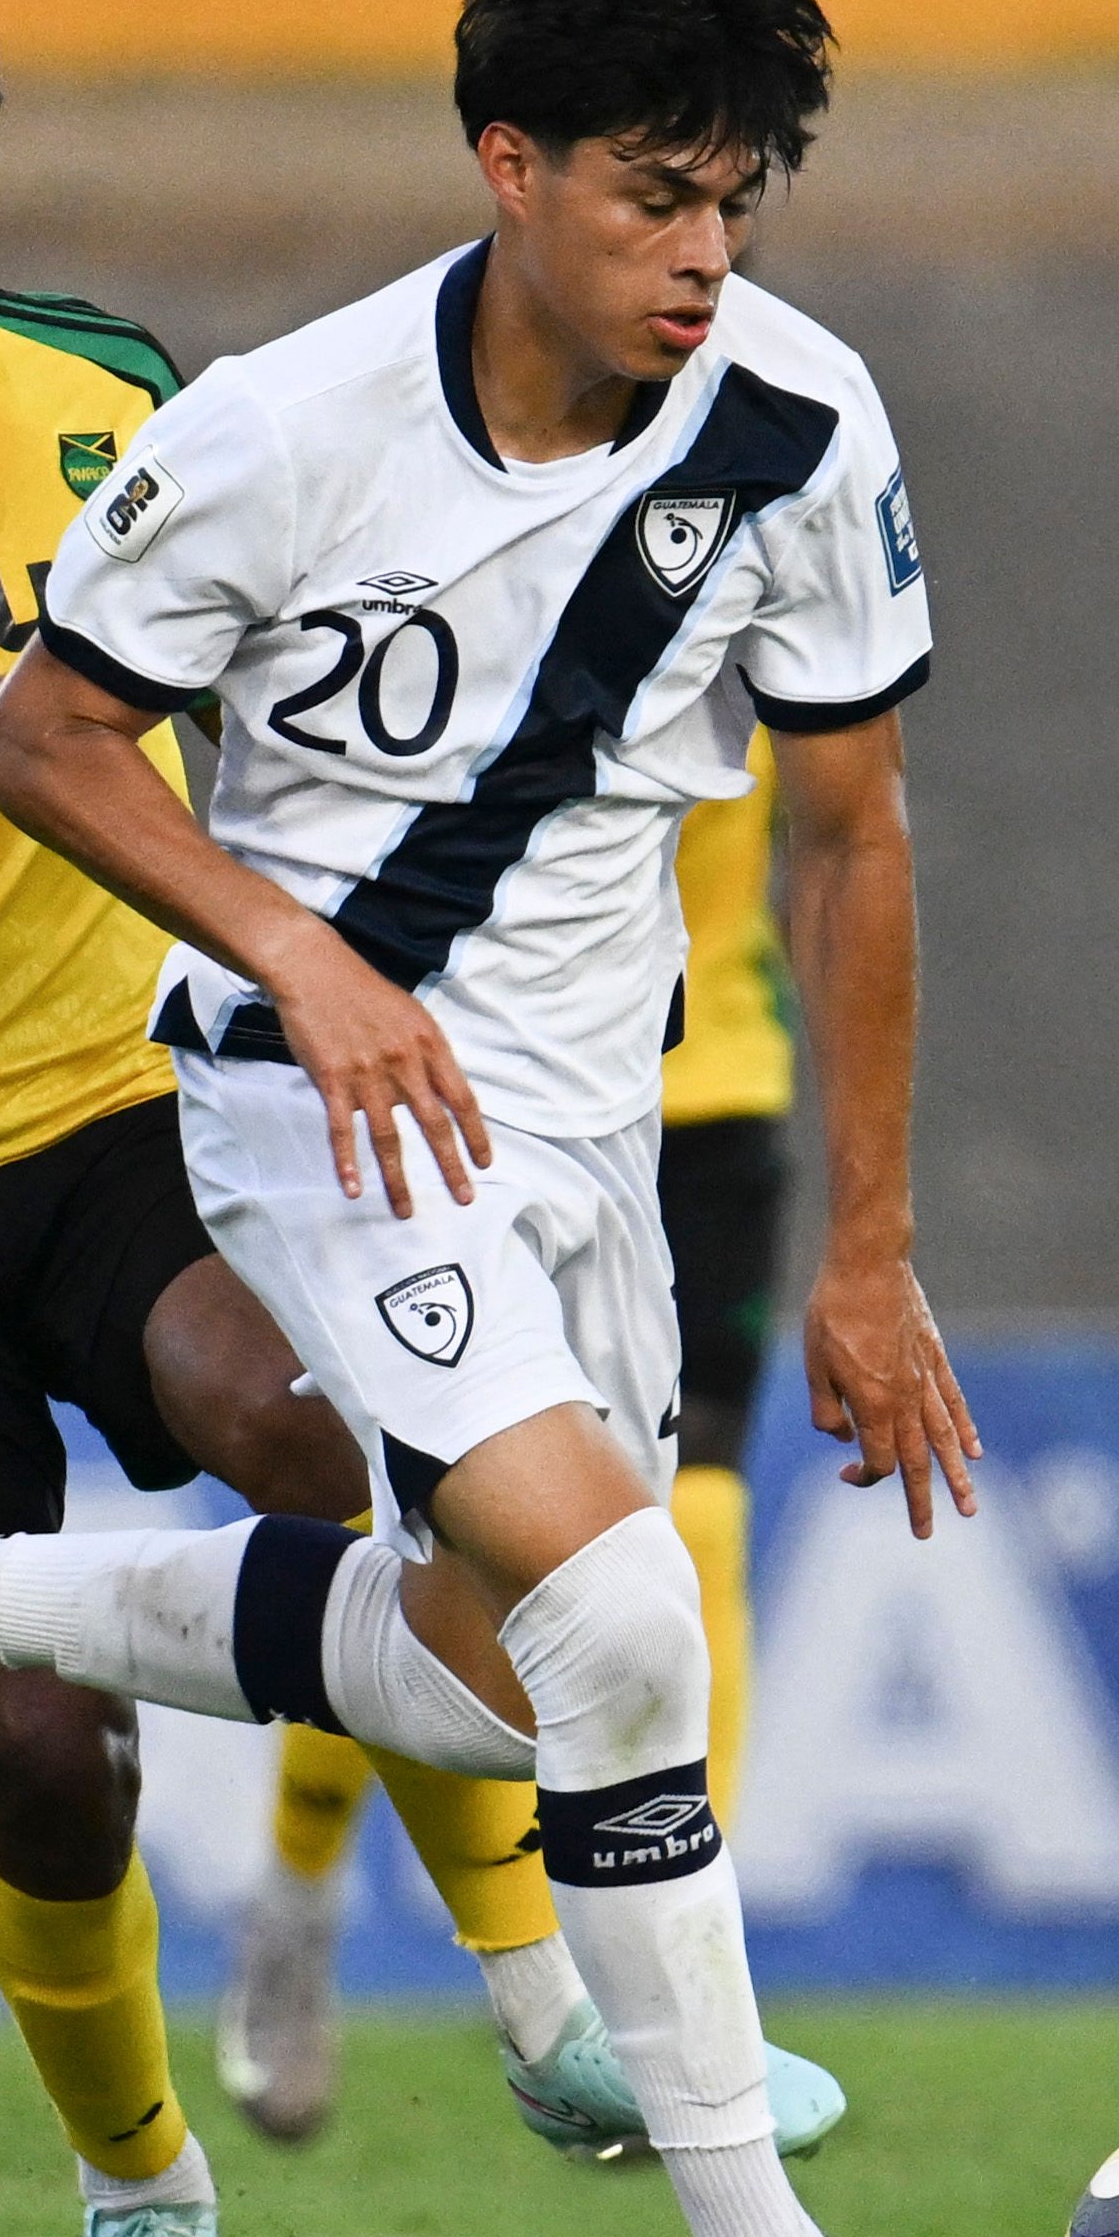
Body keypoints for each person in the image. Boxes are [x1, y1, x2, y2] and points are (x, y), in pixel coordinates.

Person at [0, 0, 975, 2237]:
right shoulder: (265, 427)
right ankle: (697, 2219)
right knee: (616, 1628)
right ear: (507, 166)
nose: (702, 252)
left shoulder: (800, 422)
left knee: (498, 1667)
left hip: (575, 1135)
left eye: (735, 201)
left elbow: (851, 835)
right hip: (272, 1104)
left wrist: (868, 1247)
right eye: (656, 195)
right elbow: (42, 734)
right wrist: (302, 958)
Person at [215, 739, 797, 2148]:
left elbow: (852, 819)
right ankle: (297, 1902)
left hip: (702, 1090)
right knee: (433, 1553)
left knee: (693, 1537)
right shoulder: (454, 549)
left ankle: (669, 2000)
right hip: (475, 1093)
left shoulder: (785, 541)